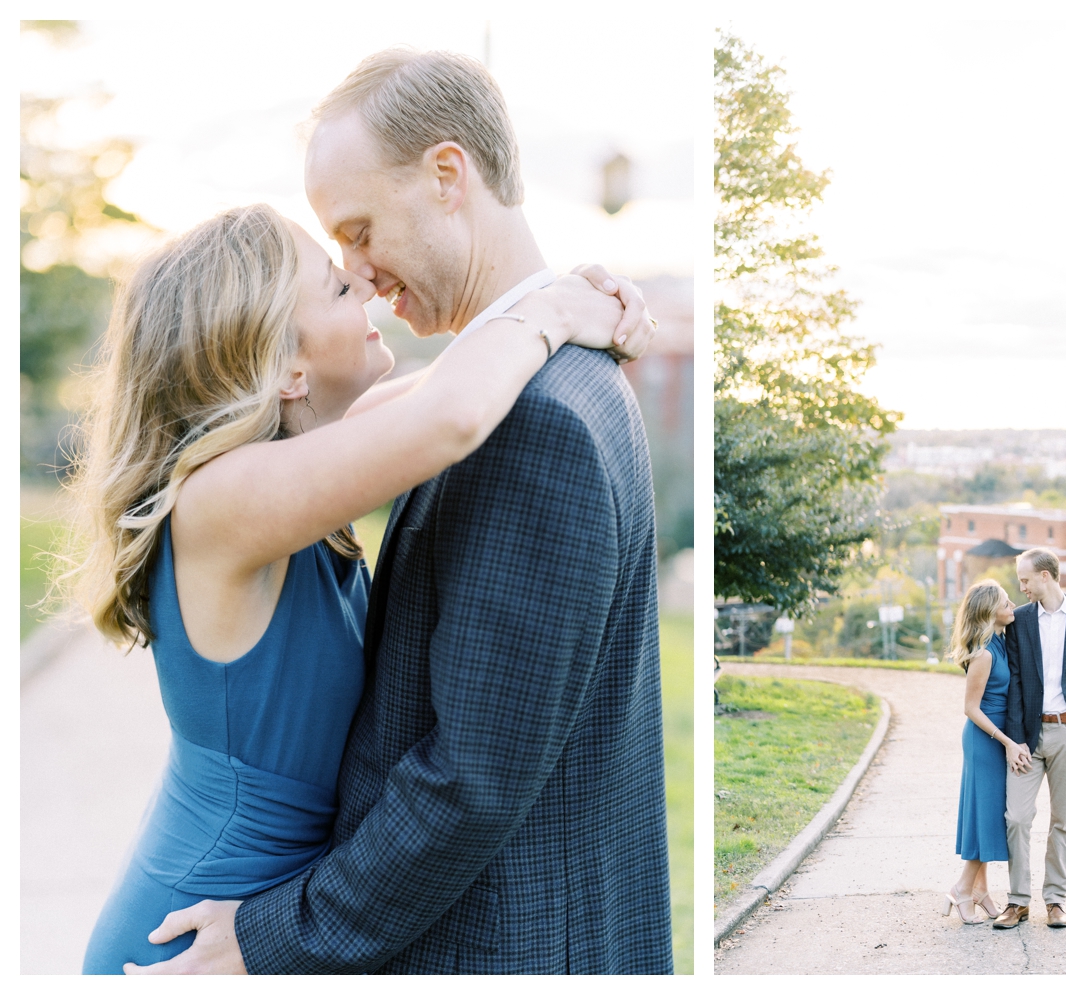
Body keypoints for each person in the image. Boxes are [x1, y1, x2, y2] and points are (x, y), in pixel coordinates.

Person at [119, 48, 675, 975]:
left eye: (359, 232)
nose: (362, 274)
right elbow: (441, 407)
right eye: (335, 268)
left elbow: (470, 777)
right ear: (279, 360)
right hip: (196, 931)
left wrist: (567, 297)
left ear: (448, 176)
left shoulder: (535, 418)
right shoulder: (498, 399)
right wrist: (554, 305)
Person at [992, 548, 1066, 930]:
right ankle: (1017, 901)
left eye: (1025, 580)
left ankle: (1056, 900)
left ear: (1046, 576)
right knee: (1017, 818)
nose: (1020, 587)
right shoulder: (1019, 621)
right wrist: (1015, 740)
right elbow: (1015, 686)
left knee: (1063, 820)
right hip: (1027, 736)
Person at [943, 579, 1031, 924]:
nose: (1013, 607)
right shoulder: (983, 653)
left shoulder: (1002, 642)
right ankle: (962, 890)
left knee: (985, 816)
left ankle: (980, 892)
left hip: (997, 738)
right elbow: (971, 708)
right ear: (989, 611)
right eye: (1006, 603)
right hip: (985, 740)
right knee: (988, 817)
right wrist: (1007, 742)